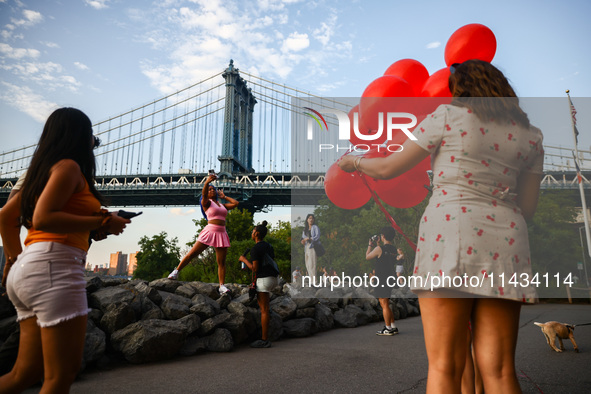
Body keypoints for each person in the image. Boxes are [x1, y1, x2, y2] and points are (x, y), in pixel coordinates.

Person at [339, 60, 543, 393]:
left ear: (462, 89)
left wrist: (354, 162)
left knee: (445, 366)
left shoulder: (447, 117)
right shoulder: (532, 138)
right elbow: (529, 208)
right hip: (506, 244)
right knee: (501, 371)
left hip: (451, 236)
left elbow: (389, 167)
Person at [0, 107, 130, 393]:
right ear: (80, 136)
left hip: (29, 270)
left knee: (25, 373)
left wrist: (13, 260)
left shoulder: (40, 173)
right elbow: (44, 218)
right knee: (60, 376)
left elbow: (7, 216)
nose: (94, 142)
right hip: (54, 268)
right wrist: (104, 220)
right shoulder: (69, 167)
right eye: (91, 135)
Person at [168, 174, 239, 294]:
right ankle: (176, 271)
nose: (212, 190)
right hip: (210, 230)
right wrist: (207, 182)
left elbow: (236, 203)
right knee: (192, 254)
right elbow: (204, 194)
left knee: (221, 262)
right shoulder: (206, 203)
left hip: (221, 233)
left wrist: (224, 196)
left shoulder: (222, 205)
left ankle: (221, 286)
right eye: (210, 189)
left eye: (213, 189)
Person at [238, 221, 277, 348]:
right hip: (273, 278)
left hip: (264, 280)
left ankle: (264, 339)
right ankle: (266, 333)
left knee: (264, 310)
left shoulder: (255, 248)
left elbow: (255, 268)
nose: (251, 233)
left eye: (253, 231)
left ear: (257, 234)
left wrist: (244, 260)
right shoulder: (269, 246)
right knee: (266, 307)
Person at [365, 227, 399, 336]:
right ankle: (392, 326)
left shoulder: (379, 249)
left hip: (381, 279)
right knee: (386, 303)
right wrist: (378, 244)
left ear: (383, 236)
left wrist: (370, 245)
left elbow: (367, 257)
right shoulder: (394, 250)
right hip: (389, 279)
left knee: (384, 304)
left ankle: (388, 328)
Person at [300, 213, 320, 279]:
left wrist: (308, 238)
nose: (311, 220)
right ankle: (311, 280)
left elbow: (317, 237)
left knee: (312, 264)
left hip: (312, 246)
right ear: (307, 220)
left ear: (314, 220)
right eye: (309, 218)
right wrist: (302, 241)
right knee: (308, 265)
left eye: (312, 218)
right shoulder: (305, 229)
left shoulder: (315, 227)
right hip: (306, 247)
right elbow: (302, 238)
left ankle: (314, 281)